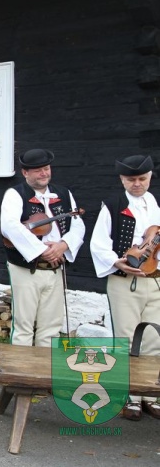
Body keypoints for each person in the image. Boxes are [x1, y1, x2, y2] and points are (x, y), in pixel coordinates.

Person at [90, 154, 160, 421]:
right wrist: (116, 261)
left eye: (142, 179)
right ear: (122, 179)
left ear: (150, 177)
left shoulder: (158, 204)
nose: (137, 184)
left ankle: (151, 394)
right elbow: (98, 244)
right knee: (126, 339)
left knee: (154, 339)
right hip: (124, 282)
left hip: (155, 281)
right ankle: (128, 397)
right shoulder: (113, 204)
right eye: (131, 180)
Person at [0, 149, 85, 347]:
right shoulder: (15, 194)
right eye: (38, 170)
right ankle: (21, 375)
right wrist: (42, 251)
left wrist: (63, 245)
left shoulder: (63, 193)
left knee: (51, 326)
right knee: (23, 326)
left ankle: (44, 374)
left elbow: (77, 223)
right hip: (26, 269)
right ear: (25, 173)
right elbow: (9, 226)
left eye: (46, 169)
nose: (44, 173)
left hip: (56, 268)